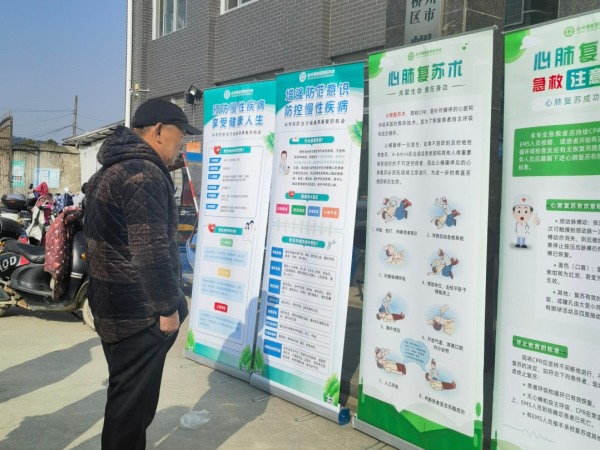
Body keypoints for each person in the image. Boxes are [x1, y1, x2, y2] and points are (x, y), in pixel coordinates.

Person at [85, 98, 199, 450]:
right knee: (131, 409)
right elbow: (150, 252)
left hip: (111, 305)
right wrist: (168, 309)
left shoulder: (111, 169)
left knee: (129, 399)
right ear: (159, 131)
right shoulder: (144, 174)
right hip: (137, 314)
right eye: (180, 135)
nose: (181, 144)